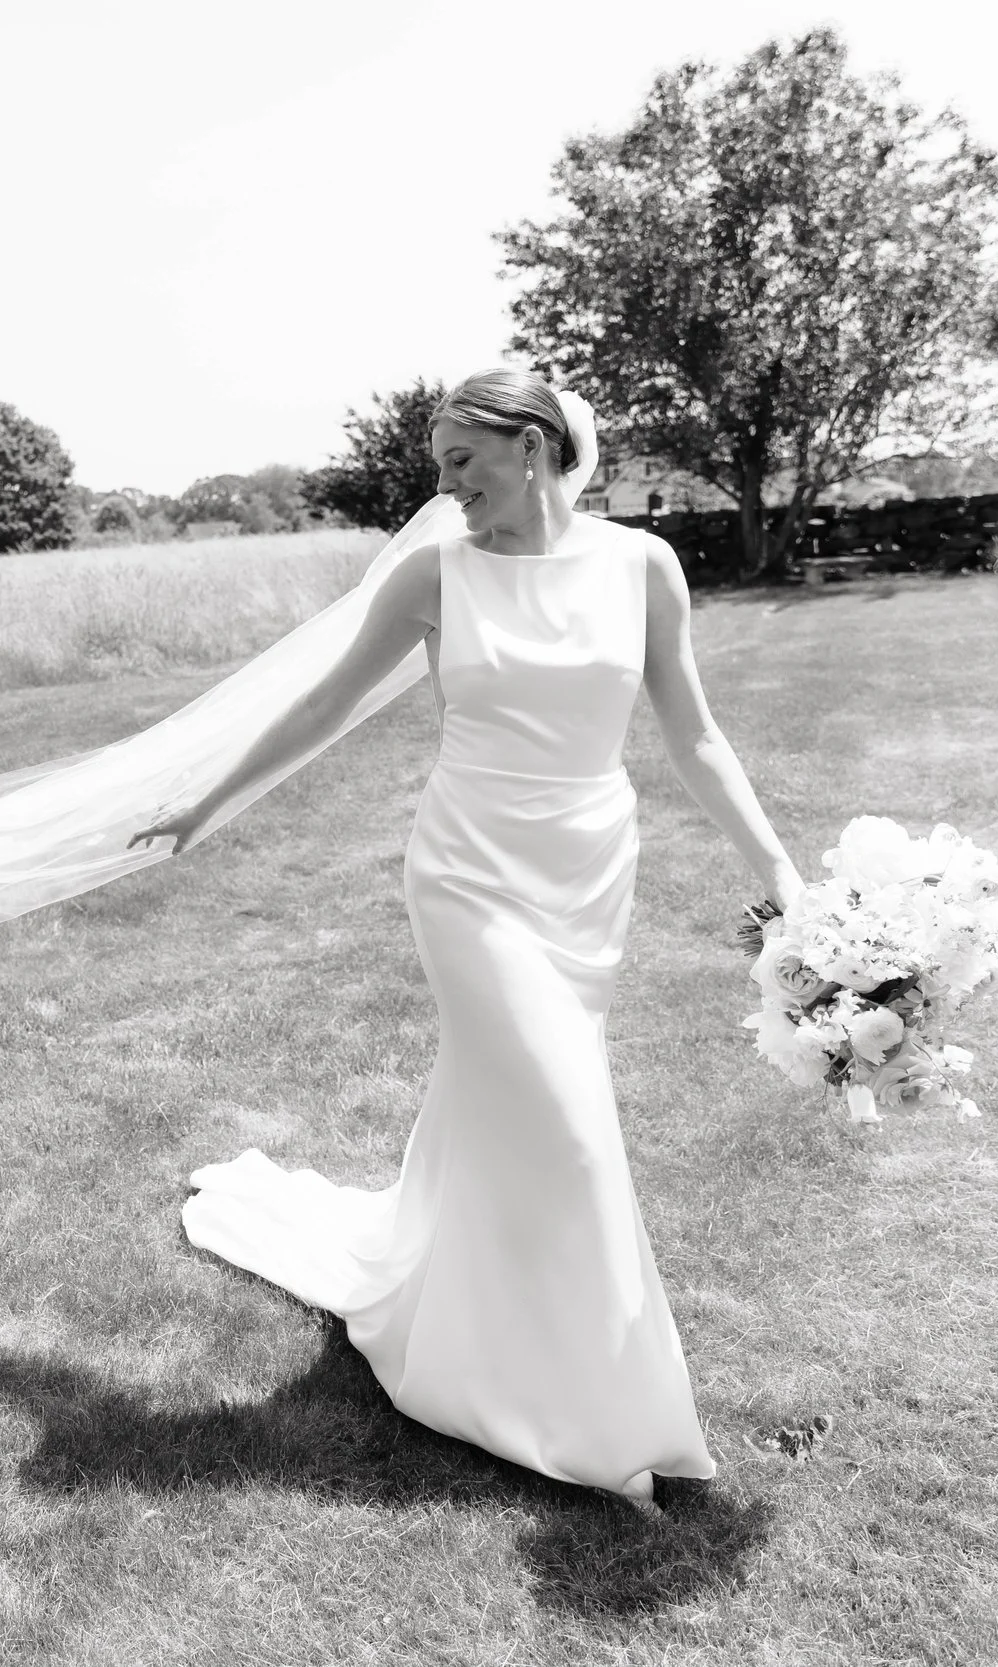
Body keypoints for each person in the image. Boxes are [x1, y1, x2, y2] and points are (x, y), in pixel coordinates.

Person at [132, 369, 804, 1503]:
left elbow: (693, 735)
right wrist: (209, 801)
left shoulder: (644, 566)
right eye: (439, 464)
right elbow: (322, 703)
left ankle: (472, 1317)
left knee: (509, 1111)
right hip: (468, 873)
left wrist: (779, 869)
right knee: (572, 1131)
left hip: (587, 872)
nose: (445, 487)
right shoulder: (434, 573)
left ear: (533, 447)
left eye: (460, 460)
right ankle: (601, 1421)